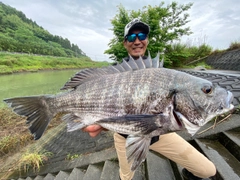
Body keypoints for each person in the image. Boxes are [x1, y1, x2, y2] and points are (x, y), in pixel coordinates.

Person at [83, 18, 216, 180]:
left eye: (141, 35)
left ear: (147, 40)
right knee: (125, 177)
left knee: (207, 170)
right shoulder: (114, 76)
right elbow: (107, 107)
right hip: (125, 136)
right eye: (131, 38)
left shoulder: (160, 71)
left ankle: (188, 174)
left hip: (161, 134)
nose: (137, 41)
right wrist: (104, 123)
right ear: (125, 43)